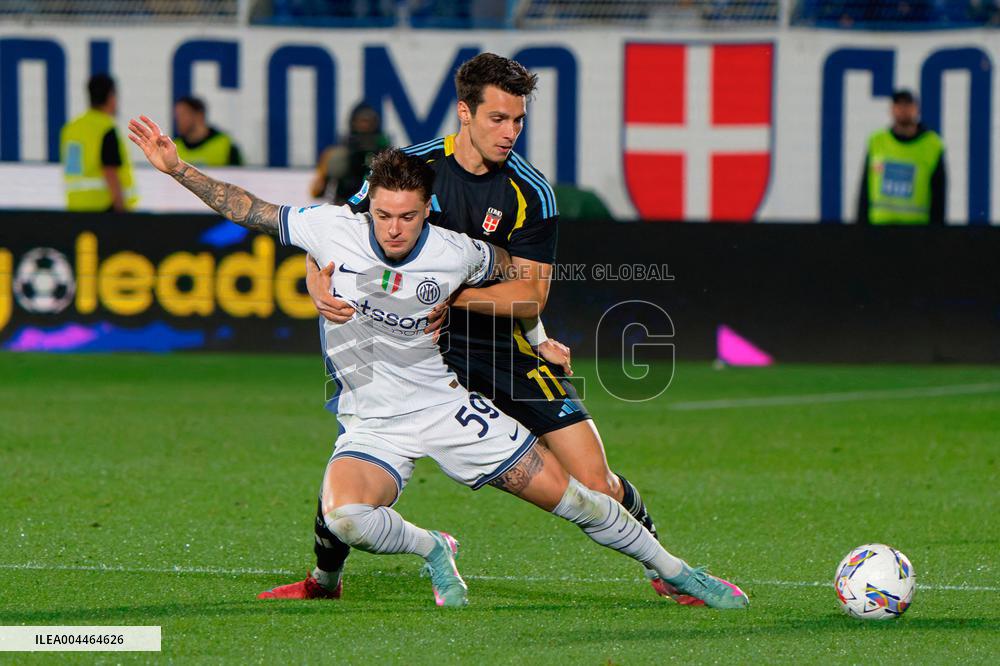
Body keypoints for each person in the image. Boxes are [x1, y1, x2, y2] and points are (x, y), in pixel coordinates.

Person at [127, 119, 750, 610]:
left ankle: (678, 572)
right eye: (383, 215)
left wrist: (537, 335)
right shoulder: (331, 229)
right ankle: (433, 549)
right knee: (345, 515)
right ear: (369, 206)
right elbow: (247, 208)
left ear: (427, 209)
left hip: (447, 407)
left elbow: (519, 280)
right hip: (372, 420)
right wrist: (178, 167)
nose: (393, 229)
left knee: (579, 500)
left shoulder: (459, 252)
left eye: (407, 216)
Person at [267, 52, 692, 604]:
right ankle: (323, 582)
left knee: (595, 482)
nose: (511, 132)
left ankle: (658, 561)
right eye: (498, 118)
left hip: (502, 351)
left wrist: (453, 296)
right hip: (414, 351)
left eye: (518, 120)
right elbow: (332, 234)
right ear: (464, 113)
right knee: (357, 461)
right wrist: (315, 284)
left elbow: (530, 296)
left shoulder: (530, 192)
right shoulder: (412, 170)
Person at [857, 89, 946, 225]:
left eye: (908, 105)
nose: (903, 110)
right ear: (891, 109)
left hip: (917, 229)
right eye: (899, 105)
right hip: (879, 226)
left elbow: (939, 193)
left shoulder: (932, 145)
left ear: (917, 109)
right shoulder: (877, 141)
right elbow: (865, 188)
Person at [60, 74, 137, 212]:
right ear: (111, 97)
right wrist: (121, 209)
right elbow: (110, 170)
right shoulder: (106, 128)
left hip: (75, 206)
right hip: (104, 208)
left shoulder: (71, 129)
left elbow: (73, 168)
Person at [310, 102, 391, 203]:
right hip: (345, 206)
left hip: (377, 206)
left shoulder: (386, 152)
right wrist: (328, 175)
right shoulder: (338, 152)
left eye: (369, 122)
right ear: (353, 122)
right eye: (362, 121)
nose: (365, 126)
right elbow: (316, 192)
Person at [172, 96, 244, 167]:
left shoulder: (225, 144)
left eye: (183, 115)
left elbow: (240, 175)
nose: (178, 120)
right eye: (177, 116)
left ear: (199, 115)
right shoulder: (174, 147)